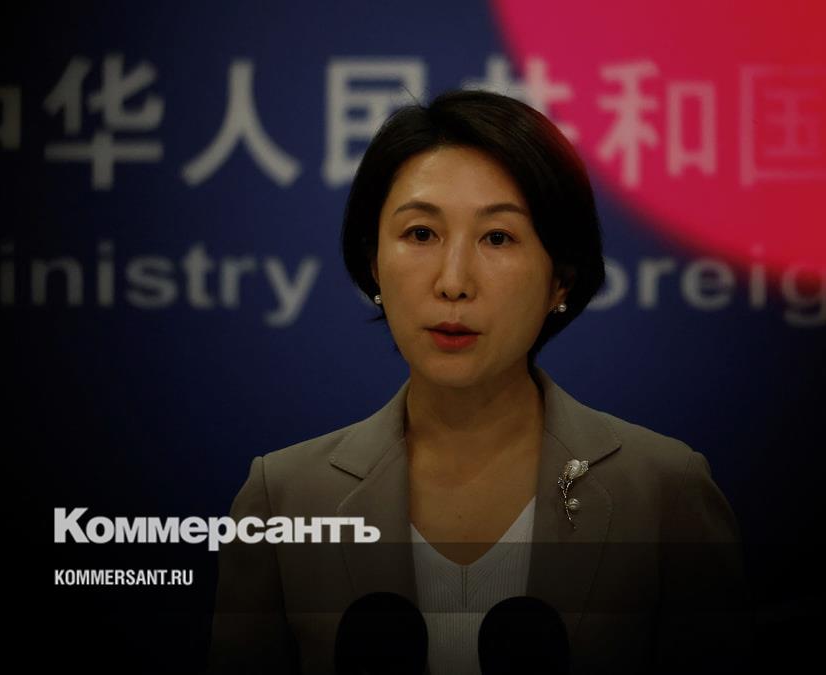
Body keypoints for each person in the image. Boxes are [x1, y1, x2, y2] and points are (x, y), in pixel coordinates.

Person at [207, 89, 753, 675]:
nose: (454, 282)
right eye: (421, 234)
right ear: (373, 264)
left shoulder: (664, 492)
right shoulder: (285, 499)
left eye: (497, 237)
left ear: (561, 280)